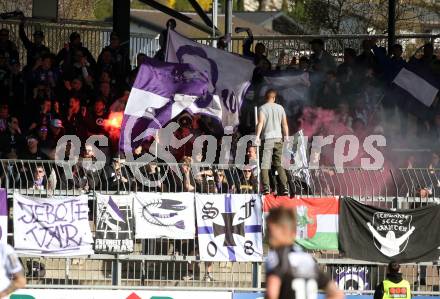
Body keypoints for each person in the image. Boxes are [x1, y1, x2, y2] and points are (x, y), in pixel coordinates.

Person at [265, 207, 343, 299]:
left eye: (269, 229)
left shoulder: (277, 256)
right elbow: (336, 293)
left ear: (283, 229)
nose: (267, 234)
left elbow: (272, 293)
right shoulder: (307, 259)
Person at [255, 89, 289, 195]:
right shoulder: (281, 108)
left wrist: (257, 136)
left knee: (265, 165)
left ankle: (266, 188)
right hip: (278, 139)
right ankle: (285, 187)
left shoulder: (262, 108)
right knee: (278, 164)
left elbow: (260, 123)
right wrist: (287, 137)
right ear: (274, 98)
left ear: (266, 97)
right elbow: (284, 124)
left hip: (267, 139)